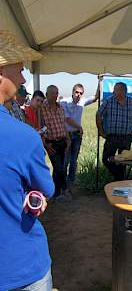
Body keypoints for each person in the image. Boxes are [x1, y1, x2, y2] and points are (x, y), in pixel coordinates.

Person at [0, 30, 54, 290]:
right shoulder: (22, 136)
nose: (22, 79)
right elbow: (46, 189)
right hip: (19, 265)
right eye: (18, 70)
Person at [96, 82, 132, 180]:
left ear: (124, 91)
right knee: (106, 159)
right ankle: (119, 178)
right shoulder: (109, 101)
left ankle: (119, 182)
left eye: (117, 90)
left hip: (126, 137)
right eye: (114, 90)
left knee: (124, 162)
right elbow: (98, 115)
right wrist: (101, 131)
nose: (115, 92)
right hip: (111, 137)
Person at [60, 82, 99, 191]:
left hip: (77, 135)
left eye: (81, 93)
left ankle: (71, 182)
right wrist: (80, 127)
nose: (78, 95)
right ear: (72, 92)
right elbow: (66, 119)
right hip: (67, 135)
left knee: (74, 160)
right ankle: (62, 184)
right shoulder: (64, 102)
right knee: (65, 160)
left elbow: (95, 98)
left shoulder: (82, 101)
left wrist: (99, 83)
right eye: (76, 92)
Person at [41, 85, 71, 200]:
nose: (55, 95)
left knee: (60, 168)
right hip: (51, 143)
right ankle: (62, 190)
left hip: (63, 141)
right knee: (59, 168)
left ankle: (56, 192)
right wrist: (46, 145)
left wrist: (68, 139)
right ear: (47, 94)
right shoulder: (42, 109)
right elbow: (40, 128)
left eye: (56, 93)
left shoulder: (60, 108)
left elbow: (63, 125)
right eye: (52, 93)